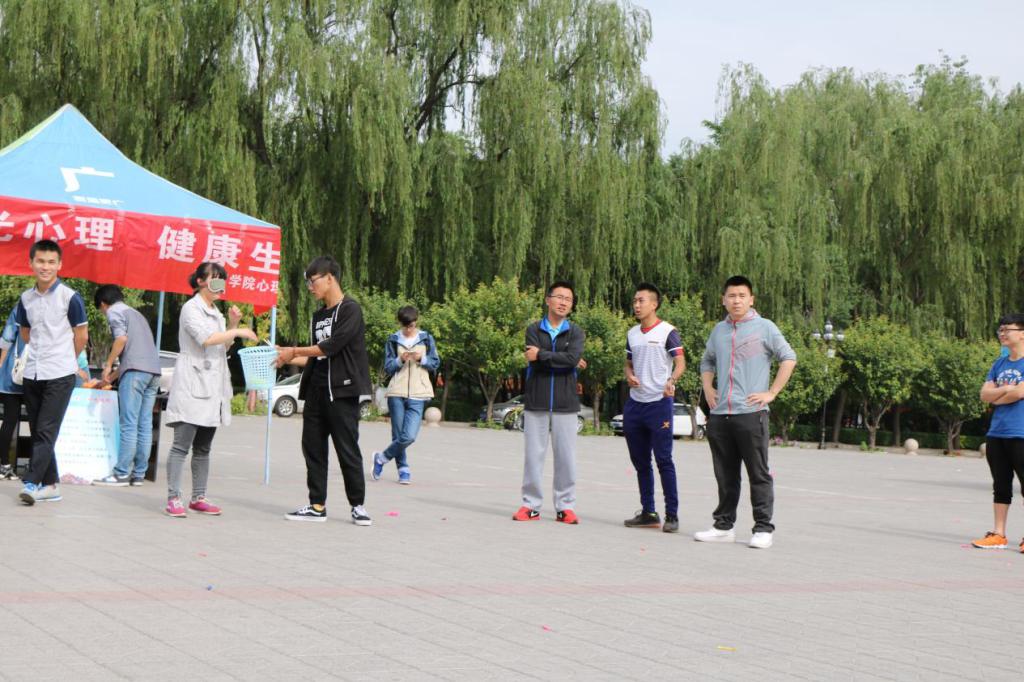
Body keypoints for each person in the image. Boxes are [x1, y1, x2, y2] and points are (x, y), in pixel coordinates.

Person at [696, 275, 796, 549]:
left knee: (758, 473)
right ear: (723, 300)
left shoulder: (765, 327)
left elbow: (788, 357)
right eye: (731, 296)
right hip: (720, 415)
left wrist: (771, 393)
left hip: (751, 413)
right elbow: (707, 361)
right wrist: (708, 387)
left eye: (742, 296)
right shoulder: (719, 331)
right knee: (725, 475)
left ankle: (763, 528)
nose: (736, 300)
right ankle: (723, 526)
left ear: (751, 299)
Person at [276, 256, 373, 526]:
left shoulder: (350, 309)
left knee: (347, 449)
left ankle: (358, 506)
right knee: (313, 449)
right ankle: (317, 505)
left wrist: (294, 350)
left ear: (330, 278)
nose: (310, 287)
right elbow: (316, 356)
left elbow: (331, 347)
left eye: (313, 281)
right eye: (308, 282)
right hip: (316, 391)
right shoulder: (318, 316)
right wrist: (285, 356)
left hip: (342, 392)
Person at [163, 262, 256, 517]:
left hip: (213, 386)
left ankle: (199, 497)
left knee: (203, 447)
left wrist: (232, 325)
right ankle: (173, 498)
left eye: (222, 280)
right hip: (192, 382)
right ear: (200, 281)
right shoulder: (191, 308)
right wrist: (239, 330)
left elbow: (221, 346)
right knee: (181, 445)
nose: (219, 285)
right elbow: (205, 339)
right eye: (214, 279)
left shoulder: (217, 313)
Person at [15, 239, 89, 505]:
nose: (45, 267)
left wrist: (66, 359)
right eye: (40, 261)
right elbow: (25, 333)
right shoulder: (26, 298)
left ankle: (31, 481)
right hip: (33, 372)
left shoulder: (70, 297)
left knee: (46, 430)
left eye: (50, 262)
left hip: (60, 373)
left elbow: (82, 335)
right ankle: (50, 485)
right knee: (38, 430)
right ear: (31, 263)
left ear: (59, 265)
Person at [512, 281, 586, 524]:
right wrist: (564, 360)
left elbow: (571, 359)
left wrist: (542, 355)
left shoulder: (575, 332)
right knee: (533, 456)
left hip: (566, 404)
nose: (563, 302)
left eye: (568, 299)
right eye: (559, 297)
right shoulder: (534, 329)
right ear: (548, 300)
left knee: (566, 458)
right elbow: (553, 361)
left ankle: (565, 507)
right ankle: (530, 505)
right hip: (537, 401)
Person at [622, 283, 686, 533]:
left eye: (641, 301)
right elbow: (628, 363)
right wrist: (629, 375)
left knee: (663, 460)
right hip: (635, 405)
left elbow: (680, 363)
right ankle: (648, 512)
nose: (637, 305)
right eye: (635, 301)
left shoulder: (668, 331)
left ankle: (672, 515)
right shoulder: (632, 334)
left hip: (659, 403)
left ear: (654, 304)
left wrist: (672, 380)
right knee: (640, 462)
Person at [92, 285, 162, 486]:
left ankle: (121, 473)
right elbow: (133, 355)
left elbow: (121, 339)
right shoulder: (137, 315)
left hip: (135, 374)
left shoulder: (114, 312)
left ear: (103, 304)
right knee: (144, 424)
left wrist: (107, 364)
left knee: (129, 424)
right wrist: (110, 378)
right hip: (153, 372)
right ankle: (139, 474)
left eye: (101, 310)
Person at [371, 305, 440, 485]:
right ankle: (403, 469)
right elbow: (388, 367)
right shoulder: (393, 340)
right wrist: (400, 360)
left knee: (409, 436)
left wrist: (421, 359)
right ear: (400, 323)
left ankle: (381, 458)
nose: (409, 329)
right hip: (397, 392)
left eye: (412, 325)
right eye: (405, 326)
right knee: (397, 435)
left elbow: (435, 363)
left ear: (416, 322)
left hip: (419, 392)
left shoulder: (426, 338)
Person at [973, 314, 1024, 551]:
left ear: (1022, 334)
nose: (1002, 334)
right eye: (1000, 330)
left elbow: (1019, 393)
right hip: (997, 432)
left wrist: (998, 396)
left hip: (1021, 432)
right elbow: (984, 394)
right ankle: (998, 534)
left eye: (1007, 329)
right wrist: (1006, 390)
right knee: (1001, 485)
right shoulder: (999, 364)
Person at [0, 304, 27, 480]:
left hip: (13, 374)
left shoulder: (21, 306)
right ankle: (37, 467)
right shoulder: (56, 306)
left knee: (9, 420)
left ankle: (4, 465)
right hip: (40, 375)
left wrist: (1, 365)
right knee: (39, 423)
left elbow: (7, 338)